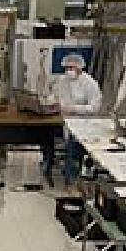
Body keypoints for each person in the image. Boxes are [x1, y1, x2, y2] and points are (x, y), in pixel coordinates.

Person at [46, 52, 103, 183]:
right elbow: (54, 95)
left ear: (80, 68)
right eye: (66, 68)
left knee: (73, 147)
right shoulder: (62, 80)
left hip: (82, 124)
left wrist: (74, 108)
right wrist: (50, 102)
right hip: (62, 120)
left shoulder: (90, 84)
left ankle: (71, 178)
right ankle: (48, 162)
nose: (68, 71)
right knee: (47, 135)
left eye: (72, 68)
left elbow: (94, 107)